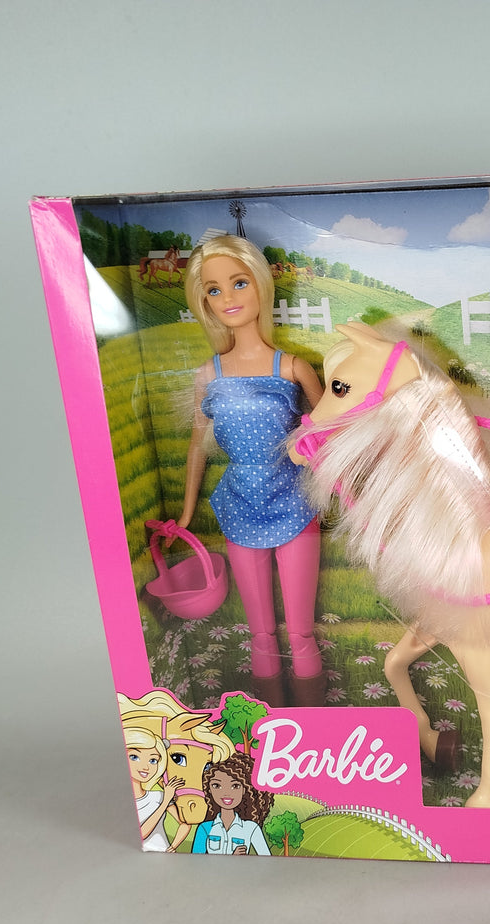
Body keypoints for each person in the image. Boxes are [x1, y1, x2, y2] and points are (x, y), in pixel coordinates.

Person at [180, 235, 325, 706]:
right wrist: (185, 514)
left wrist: (343, 489)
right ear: (204, 301)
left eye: (239, 283)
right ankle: (271, 724)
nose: (228, 298)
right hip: (239, 502)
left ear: (261, 285)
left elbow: (328, 434)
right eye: (214, 289)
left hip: (294, 499)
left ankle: (314, 723)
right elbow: (198, 445)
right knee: (260, 632)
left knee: (301, 632)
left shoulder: (292, 368)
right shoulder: (209, 374)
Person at [191, 753, 274, 855]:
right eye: (217, 785)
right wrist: (232, 857)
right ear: (209, 790)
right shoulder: (205, 828)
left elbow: (266, 858)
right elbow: (196, 860)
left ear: (244, 790)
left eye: (235, 786)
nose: (226, 793)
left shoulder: (251, 828)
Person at [125, 726, 189, 853]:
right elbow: (144, 833)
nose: (145, 767)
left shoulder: (159, 796)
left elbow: (185, 824)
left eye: (153, 760)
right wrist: (165, 802)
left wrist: (173, 847)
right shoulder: (163, 798)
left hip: (162, 851)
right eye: (134, 757)